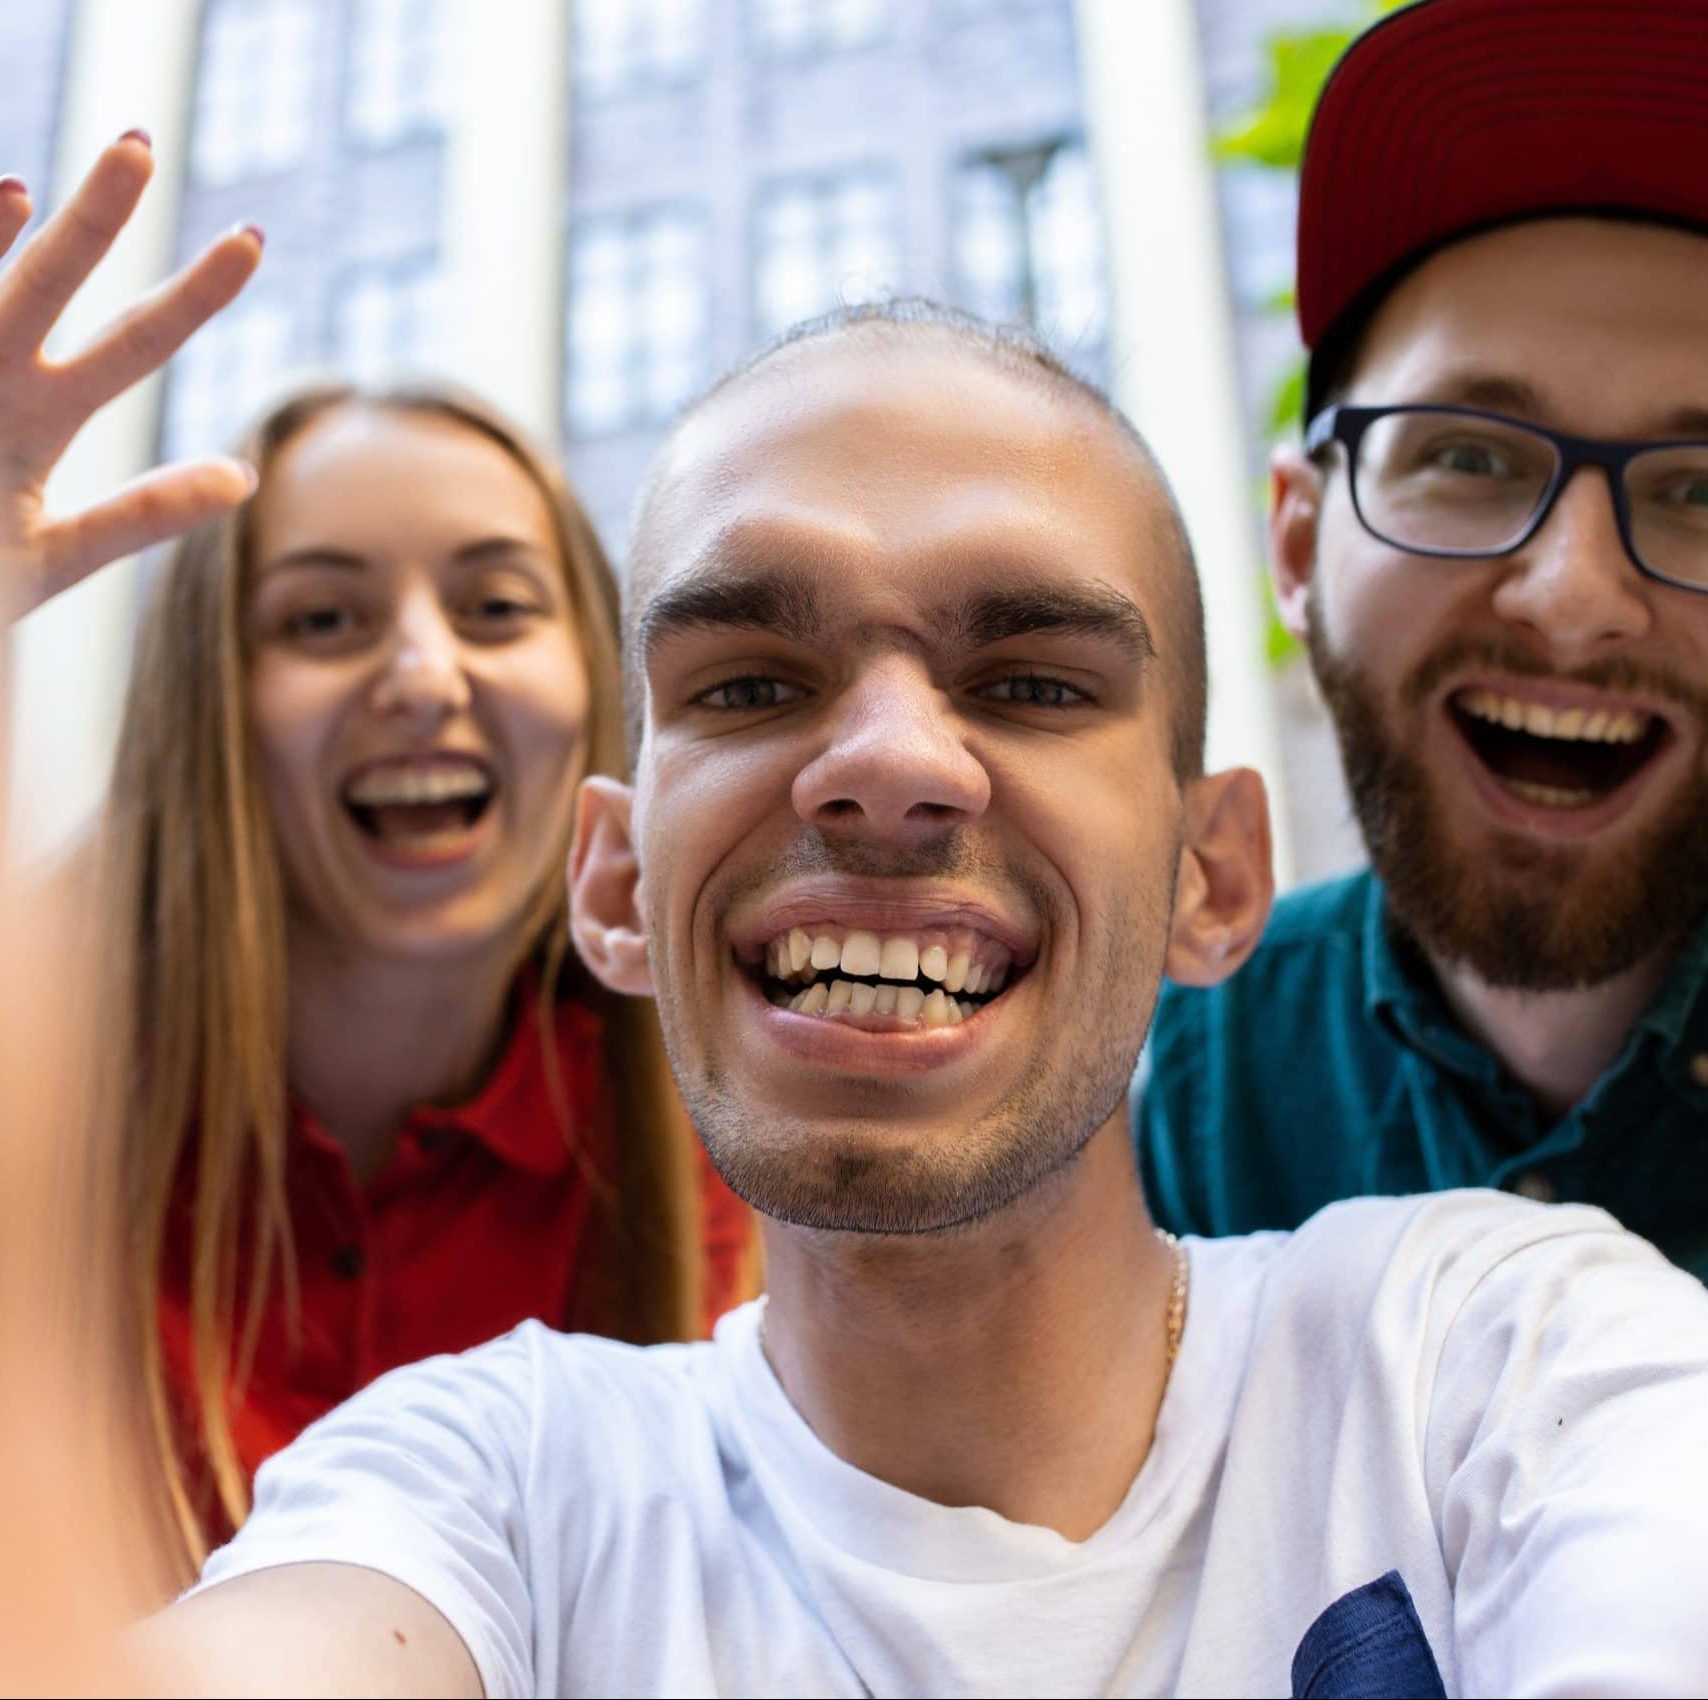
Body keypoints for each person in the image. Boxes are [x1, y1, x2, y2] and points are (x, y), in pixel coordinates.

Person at [128, 302, 1708, 1697]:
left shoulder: (1501, 1354)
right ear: (610, 881)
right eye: (749, 684)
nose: (886, 768)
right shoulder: (477, 1488)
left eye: (1035, 683)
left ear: (1216, 875)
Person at [0, 134, 752, 1574]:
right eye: (324, 621)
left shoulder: (730, 1128)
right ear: (207, 708)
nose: (422, 675)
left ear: (597, 686)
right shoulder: (36, 1076)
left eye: (494, 606)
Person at [1136, 0, 1708, 1276]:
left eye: (1700, 488)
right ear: (1295, 545)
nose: (1573, 593)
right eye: (1465, 456)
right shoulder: (1186, 1090)